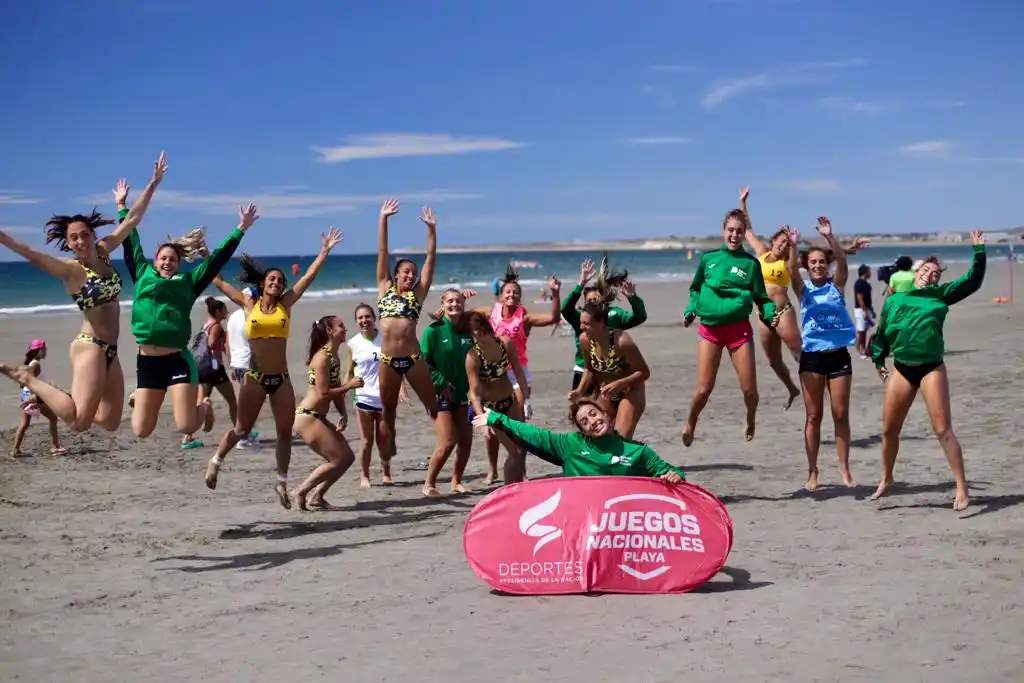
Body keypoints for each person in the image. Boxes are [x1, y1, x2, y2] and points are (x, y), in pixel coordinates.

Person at [0, 155, 165, 432]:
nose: (80, 240)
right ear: (68, 244)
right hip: (90, 346)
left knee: (111, 422)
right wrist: (5, 239)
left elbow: (133, 219)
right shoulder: (71, 271)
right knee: (78, 422)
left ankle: (68, 397)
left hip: (110, 350)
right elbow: (35, 256)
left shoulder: (103, 251)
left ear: (92, 234)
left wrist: (153, 183)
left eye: (84, 234)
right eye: (74, 237)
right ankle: (26, 376)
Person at [205, 227, 343, 508]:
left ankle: (281, 482)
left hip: (281, 379)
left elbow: (308, 277)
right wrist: (207, 255)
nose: (277, 283)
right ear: (263, 282)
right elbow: (218, 282)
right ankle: (216, 461)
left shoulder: (286, 305)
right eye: (272, 279)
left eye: (280, 280)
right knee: (242, 429)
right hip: (255, 378)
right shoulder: (248, 304)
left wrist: (325, 251)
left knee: (284, 433)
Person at [870, 231, 986, 512]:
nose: (930, 275)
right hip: (902, 368)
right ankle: (887, 478)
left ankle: (961, 486)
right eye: (925, 270)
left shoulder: (941, 295)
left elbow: (972, 281)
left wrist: (979, 250)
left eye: (935, 273)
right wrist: (878, 361)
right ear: (915, 273)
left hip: (931, 368)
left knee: (943, 430)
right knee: (888, 430)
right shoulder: (895, 298)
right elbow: (883, 332)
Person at [124, 200, 257, 440]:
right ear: (155, 259)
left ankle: (204, 406)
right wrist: (122, 206)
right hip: (148, 363)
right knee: (141, 430)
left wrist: (240, 228)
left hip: (177, 361)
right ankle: (140, 395)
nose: (167, 262)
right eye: (163, 258)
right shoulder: (141, 274)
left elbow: (217, 259)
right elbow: (129, 239)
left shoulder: (188, 282)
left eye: (173, 259)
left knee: (187, 426)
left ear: (179, 263)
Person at [681, 207, 779, 446]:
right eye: (730, 230)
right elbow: (695, 289)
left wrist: (769, 314)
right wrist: (690, 309)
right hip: (710, 331)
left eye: (739, 231)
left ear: (745, 233)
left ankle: (751, 417)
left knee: (750, 391)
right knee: (704, 390)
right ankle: (691, 421)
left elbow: (762, 298)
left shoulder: (751, 264)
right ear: (723, 230)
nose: (734, 235)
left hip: (738, 331)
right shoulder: (708, 259)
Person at [789, 218, 857, 491]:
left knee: (840, 414)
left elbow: (842, 261)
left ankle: (844, 467)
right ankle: (812, 470)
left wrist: (831, 238)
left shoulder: (836, 286)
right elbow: (791, 270)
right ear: (807, 265)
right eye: (812, 262)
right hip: (812, 359)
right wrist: (794, 247)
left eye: (821, 262)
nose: (817, 265)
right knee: (813, 416)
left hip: (838, 356)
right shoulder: (803, 291)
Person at [472, 396, 685, 481]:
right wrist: (497, 418)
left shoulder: (638, 452)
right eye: (584, 422)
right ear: (582, 431)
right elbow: (535, 434)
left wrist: (675, 476)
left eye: (594, 414)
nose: (591, 421)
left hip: (622, 523)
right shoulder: (572, 445)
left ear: (606, 416)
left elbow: (670, 472)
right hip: (583, 519)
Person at [375, 198, 438, 462]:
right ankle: (388, 447)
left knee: (433, 406)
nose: (411, 276)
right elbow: (382, 251)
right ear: (396, 274)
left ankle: (446, 440)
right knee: (388, 410)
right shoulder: (384, 288)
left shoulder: (418, 295)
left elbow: (430, 260)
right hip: (388, 361)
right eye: (406, 272)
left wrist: (432, 231)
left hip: (413, 360)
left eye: (413, 273)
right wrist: (383, 219)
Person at [468, 264, 562, 420]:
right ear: (501, 295)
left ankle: (520, 441)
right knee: (493, 425)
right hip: (494, 371)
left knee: (518, 418)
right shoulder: (490, 312)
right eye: (508, 292)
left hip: (518, 372)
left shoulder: (525, 318)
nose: (512, 295)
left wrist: (555, 294)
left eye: (516, 292)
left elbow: (554, 318)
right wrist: (460, 300)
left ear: (520, 297)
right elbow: (463, 316)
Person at [292, 315, 364, 510]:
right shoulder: (323, 357)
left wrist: (343, 413)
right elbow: (323, 392)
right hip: (307, 417)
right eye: (341, 326)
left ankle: (317, 496)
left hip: (318, 417)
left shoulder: (333, 356)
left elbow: (335, 388)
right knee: (336, 459)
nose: (345, 329)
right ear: (330, 331)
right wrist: (350, 385)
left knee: (347, 458)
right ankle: (300, 490)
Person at [739, 187, 802, 409]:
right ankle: (792, 389)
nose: (783, 245)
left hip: (783, 311)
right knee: (774, 361)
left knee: (798, 352)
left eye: (787, 243)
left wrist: (794, 245)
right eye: (782, 241)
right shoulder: (762, 252)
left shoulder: (787, 262)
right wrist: (742, 203)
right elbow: (746, 229)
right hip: (763, 315)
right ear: (774, 241)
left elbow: (793, 266)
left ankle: (816, 384)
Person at [420, 289, 476, 496]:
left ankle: (456, 481)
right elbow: (423, 363)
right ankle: (429, 483)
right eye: (450, 301)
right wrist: (441, 382)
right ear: (442, 304)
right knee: (448, 441)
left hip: (464, 395)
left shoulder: (468, 329)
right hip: (439, 395)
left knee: (466, 440)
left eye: (459, 301)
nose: (455, 304)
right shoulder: (433, 331)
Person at [560, 256, 647, 390]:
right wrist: (581, 284)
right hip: (584, 369)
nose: (594, 303)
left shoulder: (615, 314)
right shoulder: (581, 317)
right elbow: (565, 308)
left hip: (609, 370)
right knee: (577, 407)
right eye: (590, 300)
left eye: (597, 300)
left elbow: (640, 317)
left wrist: (632, 298)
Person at [568, 301, 650, 439]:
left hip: (630, 391)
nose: (582, 327)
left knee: (620, 439)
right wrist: (579, 391)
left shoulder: (621, 341)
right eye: (581, 322)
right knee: (602, 438)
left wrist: (620, 384)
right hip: (606, 392)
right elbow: (589, 370)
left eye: (587, 324)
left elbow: (644, 372)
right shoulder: (585, 340)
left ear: (600, 323)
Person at [465, 310, 528, 486]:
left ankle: (519, 484)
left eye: (481, 327)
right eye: (474, 330)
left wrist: (526, 396)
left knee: (522, 447)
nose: (479, 332)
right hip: (490, 408)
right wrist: (483, 421)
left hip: (510, 401)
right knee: (514, 451)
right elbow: (475, 394)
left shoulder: (504, 343)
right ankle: (509, 488)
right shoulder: (473, 357)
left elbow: (517, 368)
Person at [346, 303, 401, 487]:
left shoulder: (385, 339)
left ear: (374, 318)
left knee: (384, 439)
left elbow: (396, 366)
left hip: (384, 398)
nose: (364, 320)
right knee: (367, 441)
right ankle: (365, 476)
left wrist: (402, 388)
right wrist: (344, 390)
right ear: (356, 321)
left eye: (367, 316)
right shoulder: (353, 343)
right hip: (363, 398)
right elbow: (349, 371)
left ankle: (386, 473)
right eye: (360, 318)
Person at [180, 297, 238, 449]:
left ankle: (188, 438)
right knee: (231, 400)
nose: (226, 311)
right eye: (224, 309)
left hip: (201, 368)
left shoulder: (206, 323)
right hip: (214, 369)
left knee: (200, 402)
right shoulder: (217, 326)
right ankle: (242, 432)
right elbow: (212, 343)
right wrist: (224, 338)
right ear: (218, 311)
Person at [11, 340, 64, 457]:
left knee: (24, 425)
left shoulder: (32, 363)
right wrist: (33, 400)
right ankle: (55, 447)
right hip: (33, 396)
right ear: (38, 351)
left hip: (27, 395)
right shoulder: (35, 364)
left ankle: (15, 450)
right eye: (44, 349)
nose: (46, 351)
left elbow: (29, 381)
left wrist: (49, 385)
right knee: (53, 418)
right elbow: (32, 383)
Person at [224, 298, 259, 449]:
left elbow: (227, 343)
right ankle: (243, 436)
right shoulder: (250, 316)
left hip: (237, 363)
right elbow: (254, 342)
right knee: (249, 403)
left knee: (246, 401)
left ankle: (245, 433)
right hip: (247, 363)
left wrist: (231, 365)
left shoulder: (233, 316)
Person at [853, 264, 876, 359]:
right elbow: (860, 298)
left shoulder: (865, 283)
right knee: (860, 330)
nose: (870, 273)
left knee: (864, 330)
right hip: (861, 309)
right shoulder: (859, 283)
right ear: (865, 272)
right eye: (869, 271)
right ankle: (859, 349)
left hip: (866, 308)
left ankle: (863, 348)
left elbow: (867, 300)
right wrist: (865, 311)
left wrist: (872, 311)